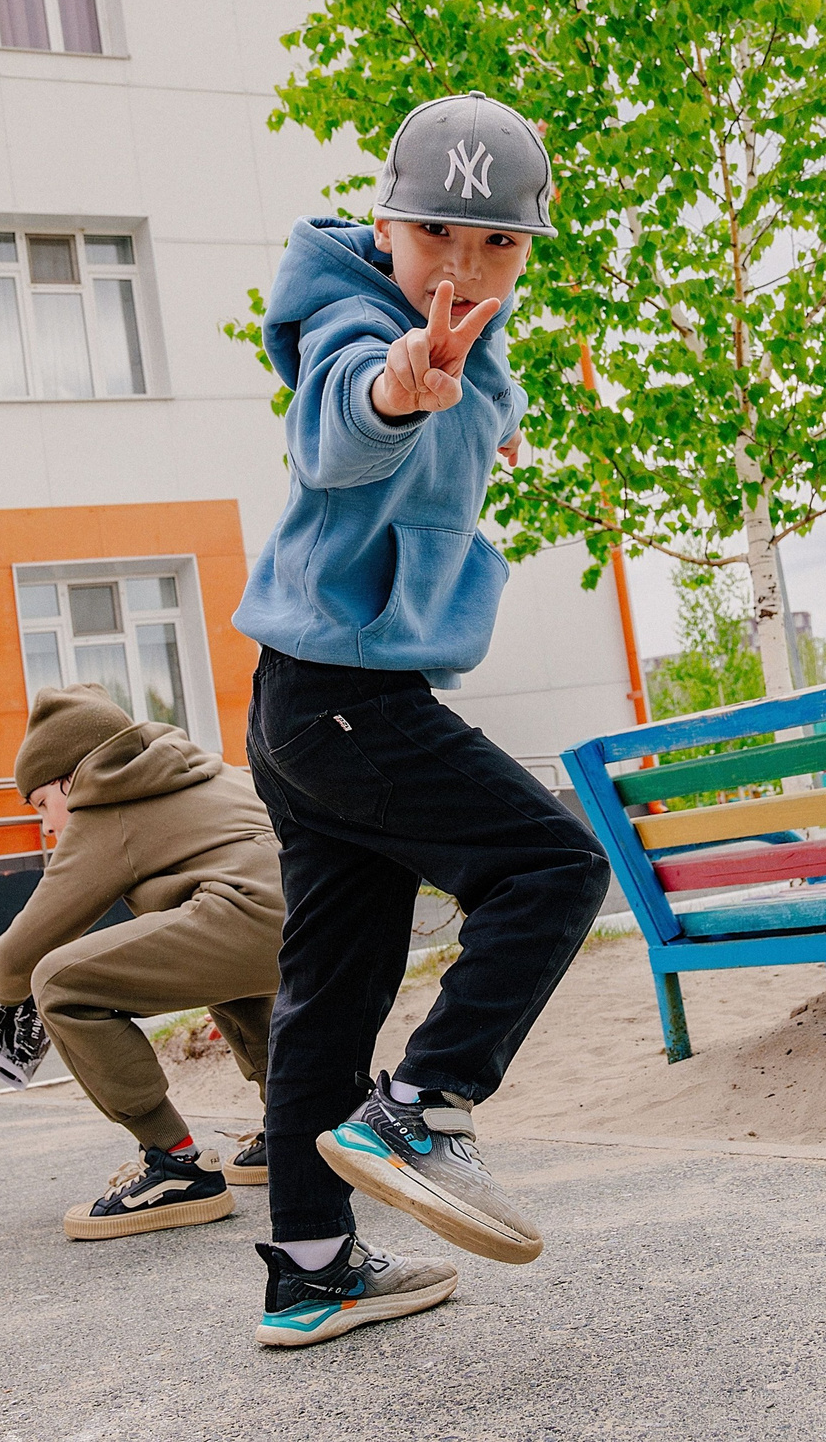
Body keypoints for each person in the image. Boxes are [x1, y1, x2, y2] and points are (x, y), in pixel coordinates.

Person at [231, 92, 613, 1348]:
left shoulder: (475, 342)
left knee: (330, 992)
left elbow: (458, 409)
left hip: (303, 705)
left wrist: (473, 414)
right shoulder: (360, 317)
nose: (463, 265)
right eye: (437, 234)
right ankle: (425, 1106)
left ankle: (309, 1269)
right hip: (346, 700)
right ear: (385, 224)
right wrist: (398, 392)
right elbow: (336, 426)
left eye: (497, 244)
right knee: (553, 863)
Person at [0, 684, 285, 1241]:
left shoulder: (107, 805)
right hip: (320, 921)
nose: (47, 827)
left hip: (250, 919)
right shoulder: (208, 772)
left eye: (42, 806)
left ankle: (176, 1165)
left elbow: (13, 962)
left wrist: (8, 1002)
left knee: (57, 982)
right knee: (209, 954)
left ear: (69, 780)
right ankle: (294, 1123)